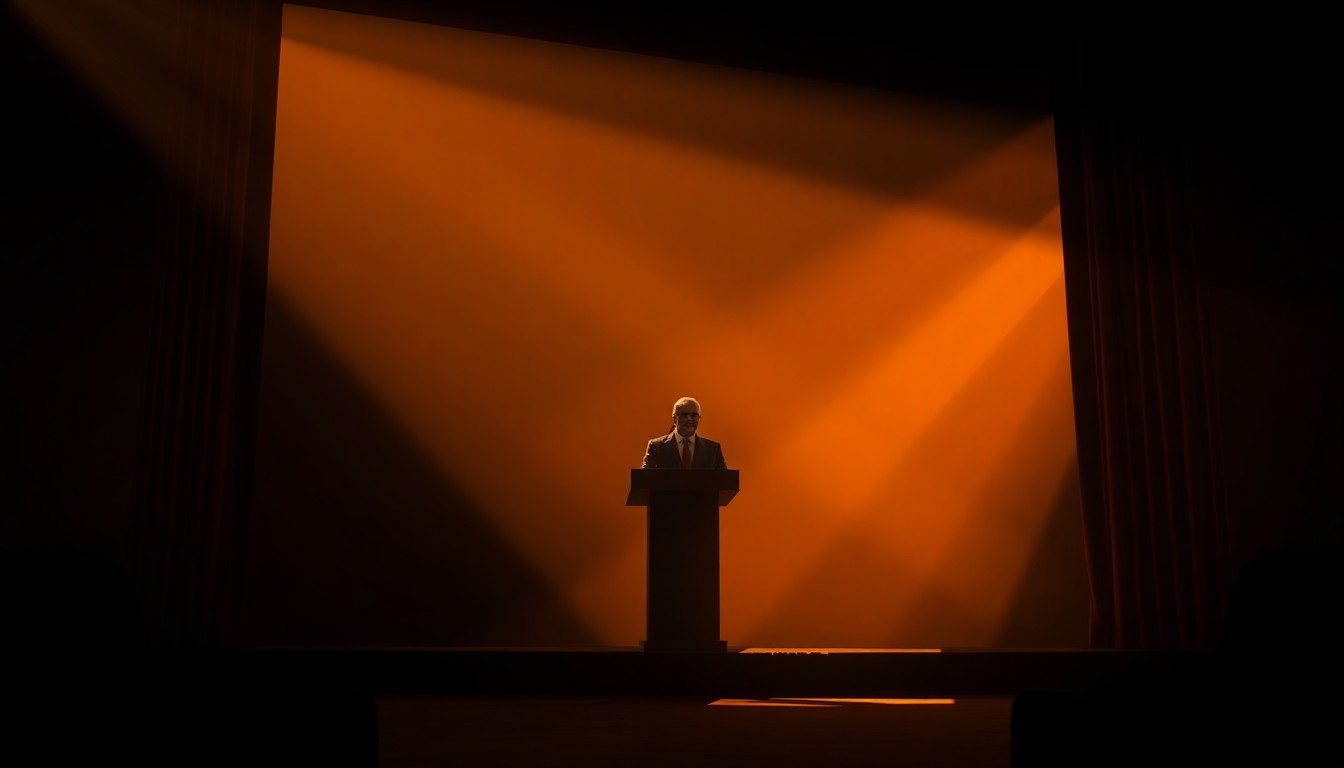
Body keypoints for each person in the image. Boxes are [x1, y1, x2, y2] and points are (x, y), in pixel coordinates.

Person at [641, 396, 727, 469]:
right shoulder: (656, 447)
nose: (689, 419)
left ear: (699, 418)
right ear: (675, 418)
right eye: (685, 415)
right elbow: (644, 481)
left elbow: (726, 483)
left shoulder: (713, 449)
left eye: (694, 415)